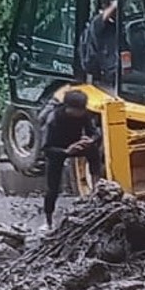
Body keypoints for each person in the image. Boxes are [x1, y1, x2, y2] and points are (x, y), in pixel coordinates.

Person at [41, 90, 102, 229]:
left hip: (77, 143)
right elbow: (46, 148)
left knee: (93, 152)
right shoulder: (53, 119)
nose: (81, 113)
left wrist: (90, 140)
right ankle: (48, 220)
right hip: (57, 149)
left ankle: (96, 186)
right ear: (68, 108)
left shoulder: (84, 115)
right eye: (78, 110)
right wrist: (66, 151)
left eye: (82, 110)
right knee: (53, 188)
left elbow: (95, 132)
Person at [80, 0, 119, 89]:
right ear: (105, 6)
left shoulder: (115, 25)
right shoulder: (96, 22)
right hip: (107, 71)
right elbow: (103, 17)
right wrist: (114, 5)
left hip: (116, 69)